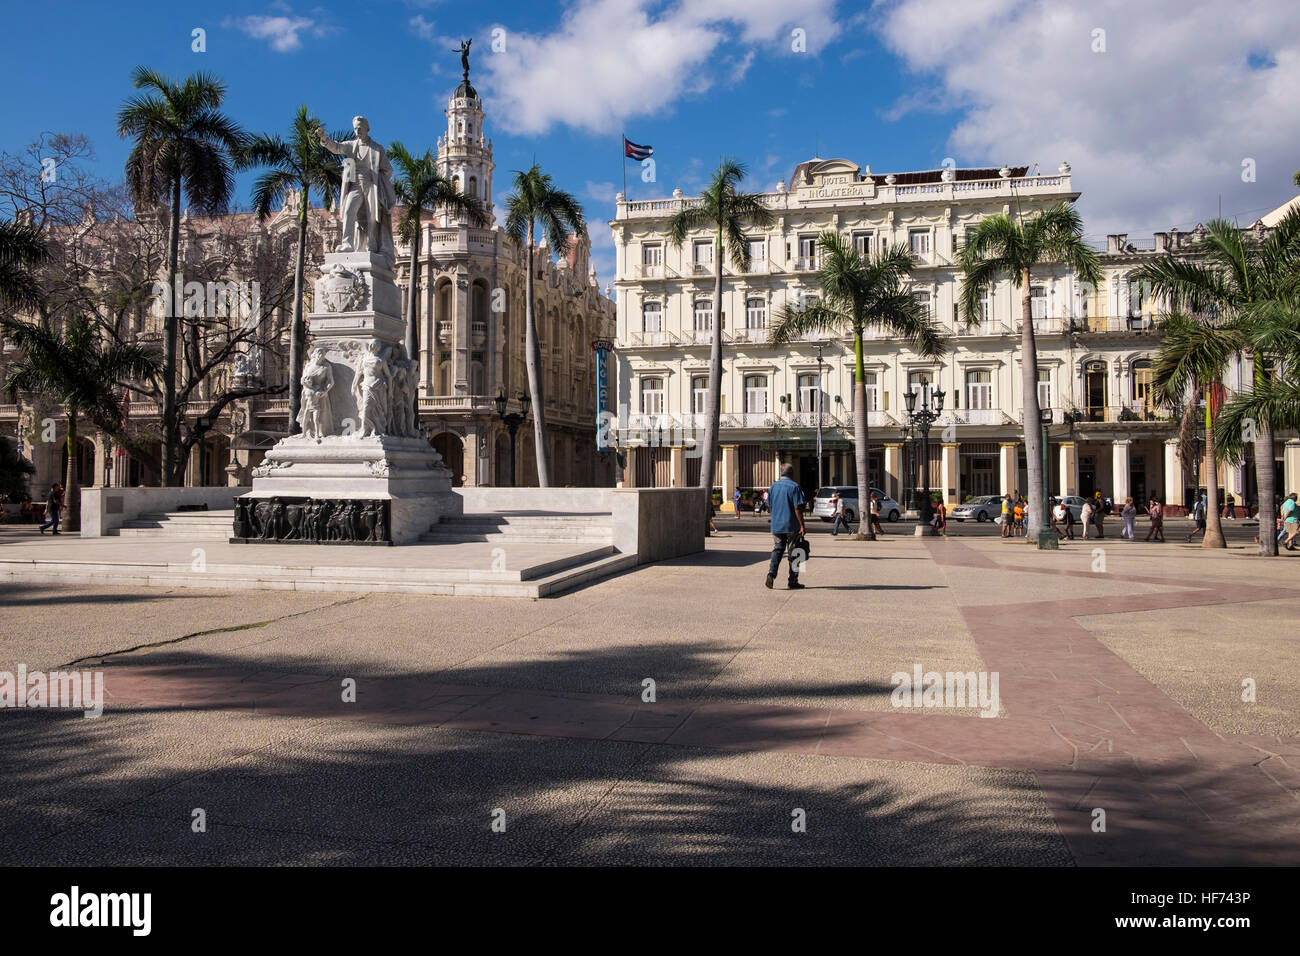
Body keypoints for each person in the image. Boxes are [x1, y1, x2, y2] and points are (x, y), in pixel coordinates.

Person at [765, 463, 807, 590]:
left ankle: (771, 574)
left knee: (778, 549)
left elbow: (769, 506)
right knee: (796, 551)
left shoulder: (773, 487)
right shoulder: (795, 486)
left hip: (776, 525)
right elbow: (797, 507)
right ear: (791, 473)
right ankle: (793, 581)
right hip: (792, 525)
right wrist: (802, 525)